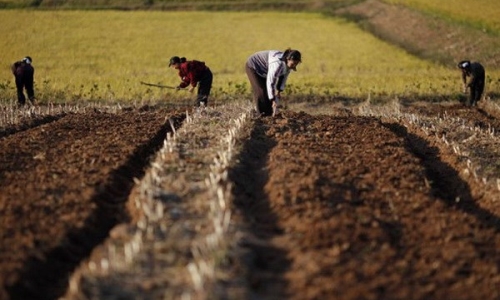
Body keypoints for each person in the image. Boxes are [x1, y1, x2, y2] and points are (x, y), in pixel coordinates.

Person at [245, 48, 301, 117]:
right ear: (288, 59)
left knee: (268, 93)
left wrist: (279, 91)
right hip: (253, 66)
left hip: (265, 70)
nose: (294, 66)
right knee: (261, 92)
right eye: (293, 63)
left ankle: (269, 115)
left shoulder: (288, 65)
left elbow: (283, 77)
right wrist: (273, 99)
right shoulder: (277, 64)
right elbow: (271, 82)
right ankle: (261, 116)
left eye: (296, 63)